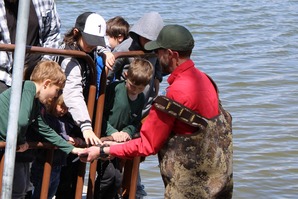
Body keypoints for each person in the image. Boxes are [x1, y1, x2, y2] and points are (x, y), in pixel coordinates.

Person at [79, 25, 233, 199]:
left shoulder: (175, 94)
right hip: (221, 184)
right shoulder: (206, 80)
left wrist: (102, 151)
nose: (157, 57)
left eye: (159, 52)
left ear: (171, 54)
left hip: (191, 190)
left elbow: (147, 144)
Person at [0, 60, 83, 199]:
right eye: (56, 90)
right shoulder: (28, 88)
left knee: (20, 190)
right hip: (6, 144)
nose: (56, 96)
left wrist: (71, 149)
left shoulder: (35, 102)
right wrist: (20, 142)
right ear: (46, 83)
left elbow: (45, 129)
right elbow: (21, 121)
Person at [54, 12, 104, 199]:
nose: (92, 45)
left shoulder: (89, 51)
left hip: (74, 122)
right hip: (63, 120)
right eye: (89, 40)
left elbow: (100, 47)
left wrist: (104, 51)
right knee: (59, 177)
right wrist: (86, 126)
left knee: (71, 177)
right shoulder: (69, 57)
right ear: (76, 32)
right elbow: (72, 93)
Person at [95, 58, 154, 199]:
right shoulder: (114, 89)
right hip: (103, 139)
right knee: (107, 176)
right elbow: (99, 115)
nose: (135, 91)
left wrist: (127, 132)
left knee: (117, 179)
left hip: (120, 143)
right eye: (133, 86)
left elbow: (135, 122)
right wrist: (112, 132)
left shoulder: (140, 99)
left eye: (140, 89)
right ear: (126, 76)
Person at [107, 11, 164, 117]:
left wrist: (158, 78)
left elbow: (158, 63)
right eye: (146, 39)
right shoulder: (125, 48)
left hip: (147, 101)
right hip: (125, 102)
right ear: (139, 34)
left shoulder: (156, 49)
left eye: (152, 41)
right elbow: (108, 73)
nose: (148, 44)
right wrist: (108, 97)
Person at [30, 94, 85, 199]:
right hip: (43, 163)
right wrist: (67, 138)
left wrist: (76, 138)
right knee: (39, 193)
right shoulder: (47, 118)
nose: (63, 110)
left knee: (50, 193)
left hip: (58, 164)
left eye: (67, 108)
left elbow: (71, 131)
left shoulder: (66, 121)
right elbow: (51, 133)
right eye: (62, 106)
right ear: (53, 102)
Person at [0, 0, 61, 93]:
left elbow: (52, 35)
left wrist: (43, 69)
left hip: (36, 75)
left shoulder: (44, 2)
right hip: (4, 74)